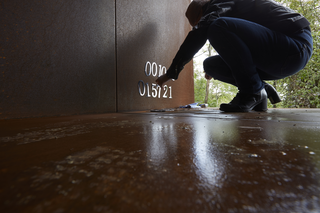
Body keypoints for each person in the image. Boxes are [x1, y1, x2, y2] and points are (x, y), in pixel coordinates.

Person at [156, 0, 313, 112]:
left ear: (204, 9)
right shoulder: (230, 11)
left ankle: (252, 91)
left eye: (199, 22)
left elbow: (204, 30)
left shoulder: (218, 3)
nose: (200, 25)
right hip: (276, 58)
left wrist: (172, 72)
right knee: (211, 65)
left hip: (294, 46)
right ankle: (259, 89)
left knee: (217, 26)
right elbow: (240, 45)